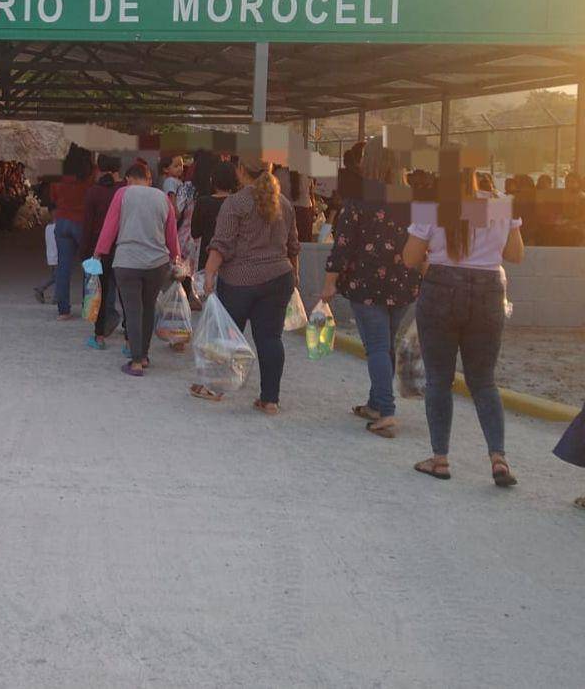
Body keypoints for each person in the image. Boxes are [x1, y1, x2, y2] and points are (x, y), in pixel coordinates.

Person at [404, 168, 524, 485]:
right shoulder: (501, 206)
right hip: (489, 292)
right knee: (484, 381)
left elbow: (408, 257)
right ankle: (498, 458)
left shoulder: (433, 207)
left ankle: (440, 459)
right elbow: (516, 254)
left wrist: (431, 256)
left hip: (441, 291)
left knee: (439, 380)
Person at [320, 138, 421, 438]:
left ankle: (386, 411)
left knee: (376, 346)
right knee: (385, 344)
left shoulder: (359, 198)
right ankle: (376, 403)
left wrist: (330, 282)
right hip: (402, 284)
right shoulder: (412, 199)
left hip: (366, 284)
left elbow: (344, 244)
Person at [197, 159, 300, 413]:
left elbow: (221, 244)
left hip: (239, 281)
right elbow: (293, 246)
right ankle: (270, 399)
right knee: (270, 338)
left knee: (227, 335)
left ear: (241, 171)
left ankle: (214, 388)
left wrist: (209, 274)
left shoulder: (236, 203)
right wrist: (295, 276)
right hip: (279, 278)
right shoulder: (284, 204)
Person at [91, 161, 179, 376]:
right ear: (149, 179)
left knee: (132, 310)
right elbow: (171, 233)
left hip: (127, 262)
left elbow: (110, 226)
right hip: (157, 263)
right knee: (148, 309)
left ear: (129, 178)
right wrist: (176, 256)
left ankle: (136, 360)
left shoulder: (123, 193)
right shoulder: (162, 198)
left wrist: (99, 251)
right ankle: (145, 356)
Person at [81, 154, 125, 348]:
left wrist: (85, 252)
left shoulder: (94, 192)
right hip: (124, 248)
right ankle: (129, 340)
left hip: (100, 250)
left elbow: (88, 226)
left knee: (101, 293)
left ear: (99, 168)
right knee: (127, 295)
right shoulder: (125, 191)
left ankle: (99, 337)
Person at [50, 144, 94, 321]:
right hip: (83, 223)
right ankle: (88, 307)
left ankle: (63, 310)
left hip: (61, 222)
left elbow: (52, 198)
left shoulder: (59, 173)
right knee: (90, 267)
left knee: (63, 267)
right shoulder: (91, 174)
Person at [190, 161, 236, 273]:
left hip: (207, 258)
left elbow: (195, 232)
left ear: (212, 180)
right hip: (232, 259)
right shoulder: (237, 203)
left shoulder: (203, 202)